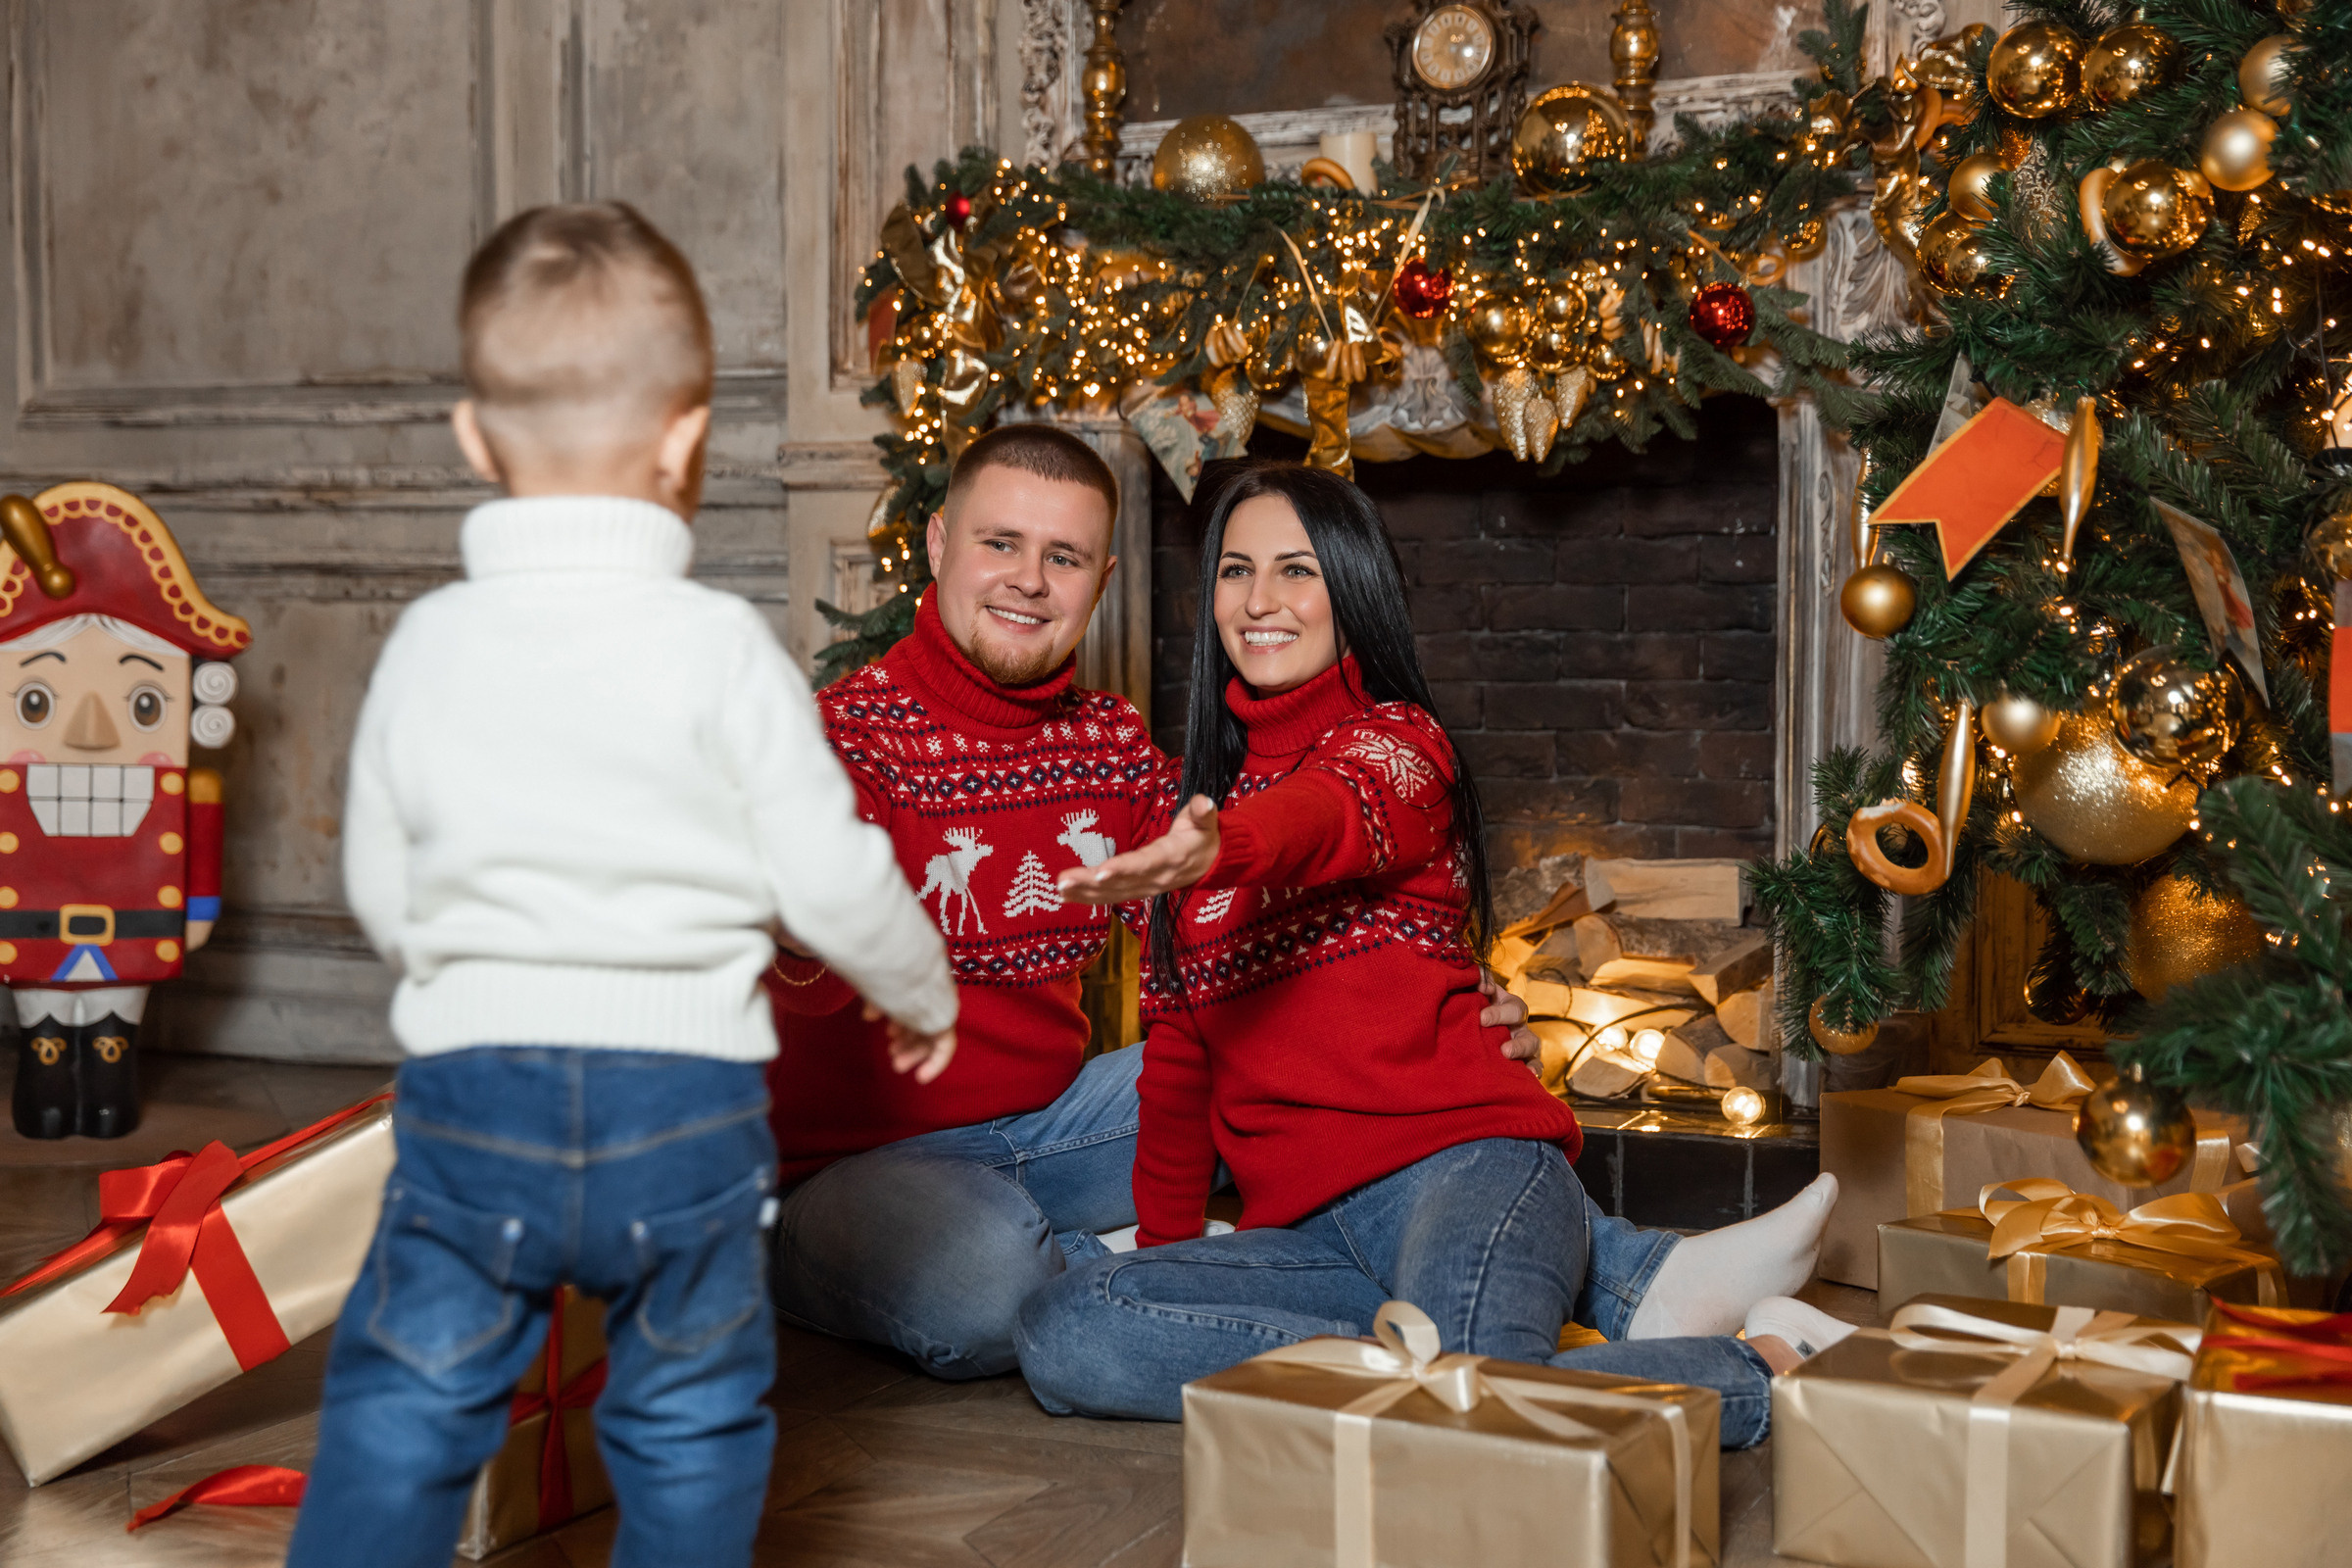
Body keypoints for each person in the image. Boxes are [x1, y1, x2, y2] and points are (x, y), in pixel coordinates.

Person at [287, 203, 958, 1568]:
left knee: (409, 1403)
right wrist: (917, 989)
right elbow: (829, 869)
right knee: (694, 1416)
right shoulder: (723, 649)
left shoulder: (430, 643)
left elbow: (377, 875)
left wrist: (473, 971)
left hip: (476, 1098)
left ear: (474, 440)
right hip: (688, 1109)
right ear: (686, 439)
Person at [1016, 461, 1849, 1445]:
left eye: (1297, 570)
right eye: (1236, 572)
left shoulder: (1399, 747)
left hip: (1465, 1172)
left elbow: (1329, 816)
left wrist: (1224, 847)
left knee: (1469, 1420)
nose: (1260, 600)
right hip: (1304, 1236)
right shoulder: (1194, 817)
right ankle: (1592, 1310)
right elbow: (1179, 1069)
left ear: (1352, 589)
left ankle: (1764, 1373)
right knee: (1073, 1325)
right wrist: (1167, 1257)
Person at [761, 423, 1548, 1380]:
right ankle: (1194, 1284)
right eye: (998, 544)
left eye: (1065, 557)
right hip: (848, 1168)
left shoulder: (1110, 745)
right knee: (980, 1281)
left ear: (1101, 581)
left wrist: (1451, 1008)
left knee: (1273, 1058)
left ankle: (1234, 1281)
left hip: (1057, 1123)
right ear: (937, 545)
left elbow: (1229, 909)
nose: (1028, 580)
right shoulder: (842, 739)